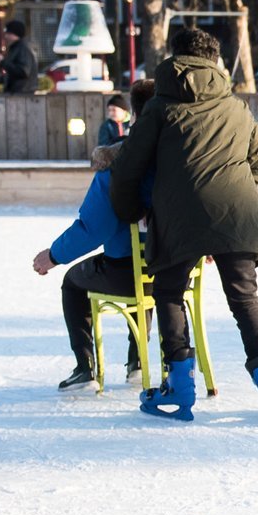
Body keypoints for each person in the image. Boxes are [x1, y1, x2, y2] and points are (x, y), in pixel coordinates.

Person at [108, 26, 258, 422]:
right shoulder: (237, 107)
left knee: (169, 292)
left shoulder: (160, 107)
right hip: (236, 213)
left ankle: (179, 385)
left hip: (178, 216)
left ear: (174, 58)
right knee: (244, 296)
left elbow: (127, 169)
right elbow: (257, 165)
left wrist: (129, 211)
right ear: (215, 61)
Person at [32, 106, 154, 392]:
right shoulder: (181, 160)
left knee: (74, 283)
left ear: (134, 117)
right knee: (146, 266)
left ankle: (85, 368)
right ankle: (138, 361)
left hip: (126, 273)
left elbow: (94, 228)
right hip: (176, 271)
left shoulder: (118, 167)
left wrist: (53, 256)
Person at [0, 20, 38, 95]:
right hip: (17, 92)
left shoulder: (23, 48)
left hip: (22, 93)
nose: (6, 36)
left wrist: (2, 62)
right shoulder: (15, 48)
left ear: (15, 34)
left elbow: (23, 71)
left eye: (8, 33)